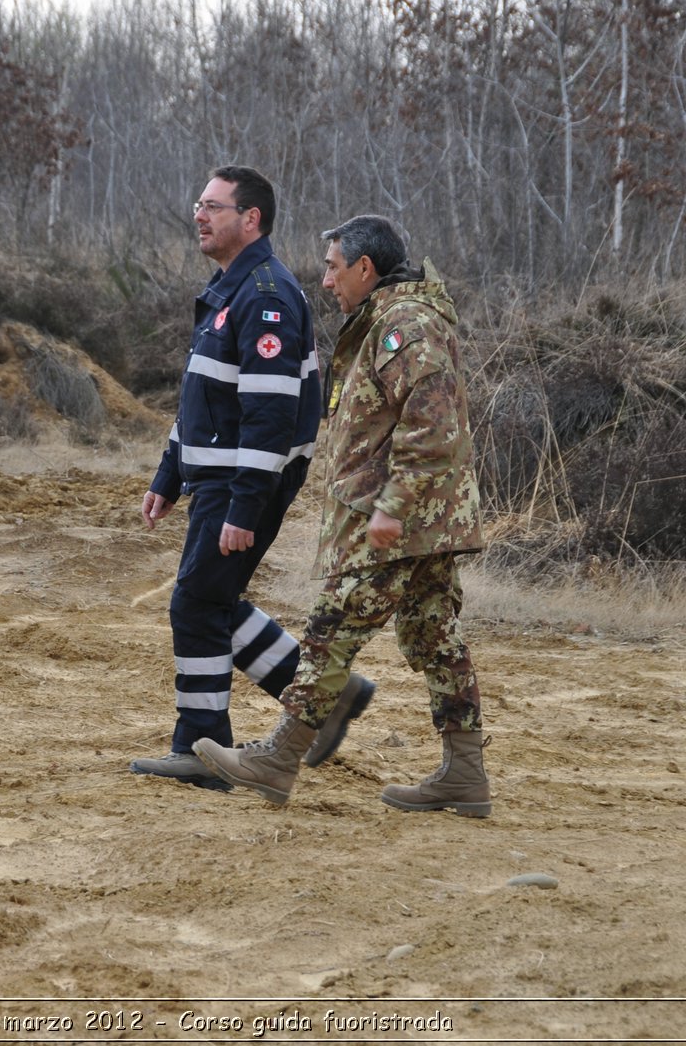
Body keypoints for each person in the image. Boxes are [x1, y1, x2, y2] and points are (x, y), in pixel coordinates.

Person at [192, 215, 491, 814]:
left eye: (332, 268)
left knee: (333, 629)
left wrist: (392, 507)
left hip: (402, 523)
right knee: (435, 636)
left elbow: (432, 425)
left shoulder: (404, 326)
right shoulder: (386, 320)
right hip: (423, 522)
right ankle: (464, 773)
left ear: (364, 268)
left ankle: (277, 760)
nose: (325, 281)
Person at [130, 166, 375, 790]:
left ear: (251, 219)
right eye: (198, 205)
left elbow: (268, 417)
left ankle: (200, 747)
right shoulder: (230, 288)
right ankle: (327, 697)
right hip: (216, 476)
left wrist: (243, 505)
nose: (199, 216)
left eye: (213, 206)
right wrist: (169, 473)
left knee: (195, 602)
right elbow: (203, 399)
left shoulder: (265, 294)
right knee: (209, 600)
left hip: (245, 480)